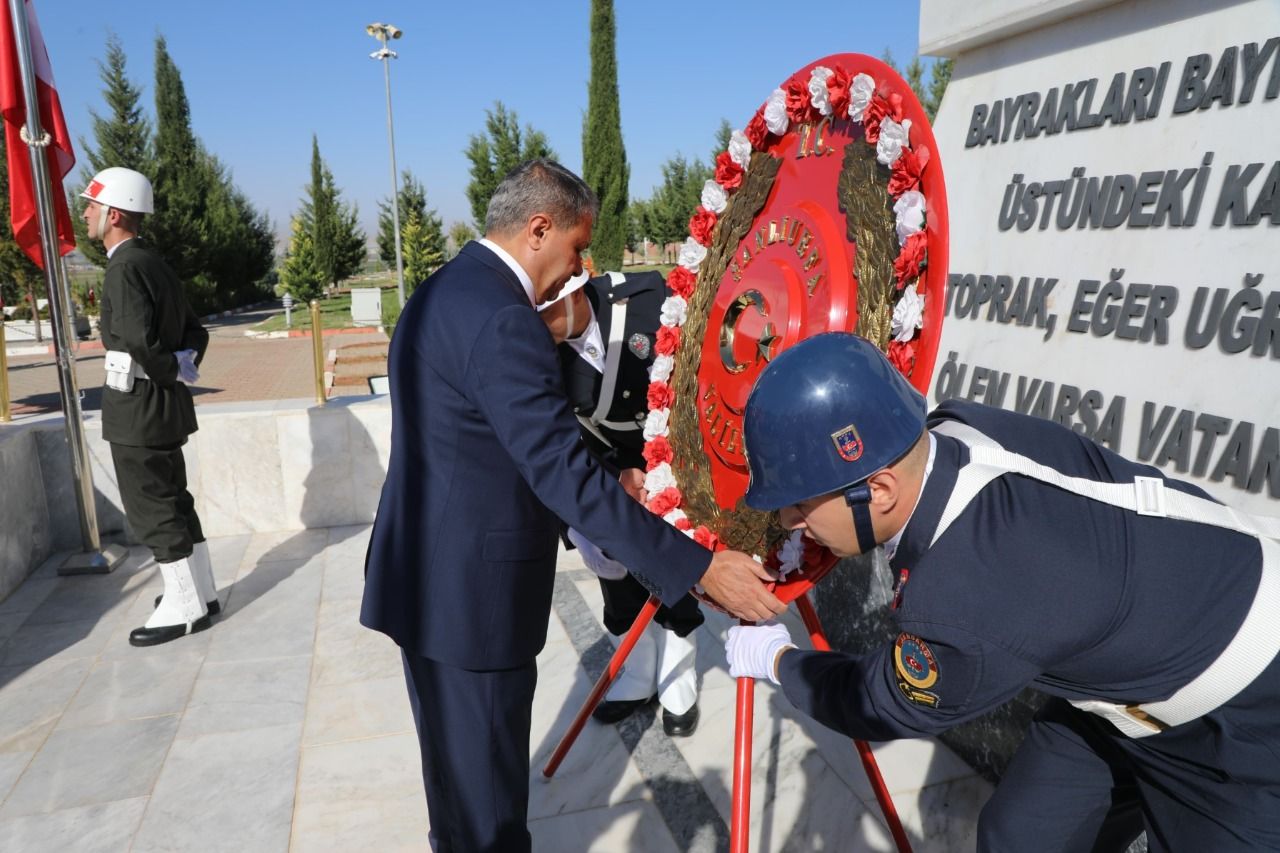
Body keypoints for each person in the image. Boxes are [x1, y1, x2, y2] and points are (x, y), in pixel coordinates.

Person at [361, 159, 784, 853]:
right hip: (475, 604)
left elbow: (486, 444)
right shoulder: (505, 318)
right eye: (576, 247)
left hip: (426, 581)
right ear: (538, 229)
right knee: (491, 817)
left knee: (457, 798)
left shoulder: (441, 292)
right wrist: (700, 567)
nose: (579, 267)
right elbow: (558, 471)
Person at [725, 332, 1280, 851]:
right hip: (1124, 670)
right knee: (1020, 837)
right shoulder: (956, 427)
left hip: (1245, 714)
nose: (789, 520)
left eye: (801, 504)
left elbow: (880, 701)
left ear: (879, 489)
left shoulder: (967, 597)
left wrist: (778, 661)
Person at [539, 270, 704, 737]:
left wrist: (668, 468)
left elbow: (698, 373)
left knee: (672, 569)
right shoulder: (536, 348)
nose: (540, 322)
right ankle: (634, 673)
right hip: (606, 467)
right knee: (613, 571)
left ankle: (678, 676)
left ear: (572, 290)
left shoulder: (647, 299)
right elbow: (555, 429)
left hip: (676, 456)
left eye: (546, 307)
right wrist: (611, 479)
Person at [81, 167, 216, 647]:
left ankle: (185, 608)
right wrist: (179, 371)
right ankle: (202, 591)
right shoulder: (154, 263)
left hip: (138, 408)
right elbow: (197, 332)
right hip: (164, 405)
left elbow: (138, 339)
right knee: (176, 499)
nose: (86, 214)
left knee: (152, 507)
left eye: (92, 207)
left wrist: (163, 370)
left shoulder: (123, 266)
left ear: (114, 213)